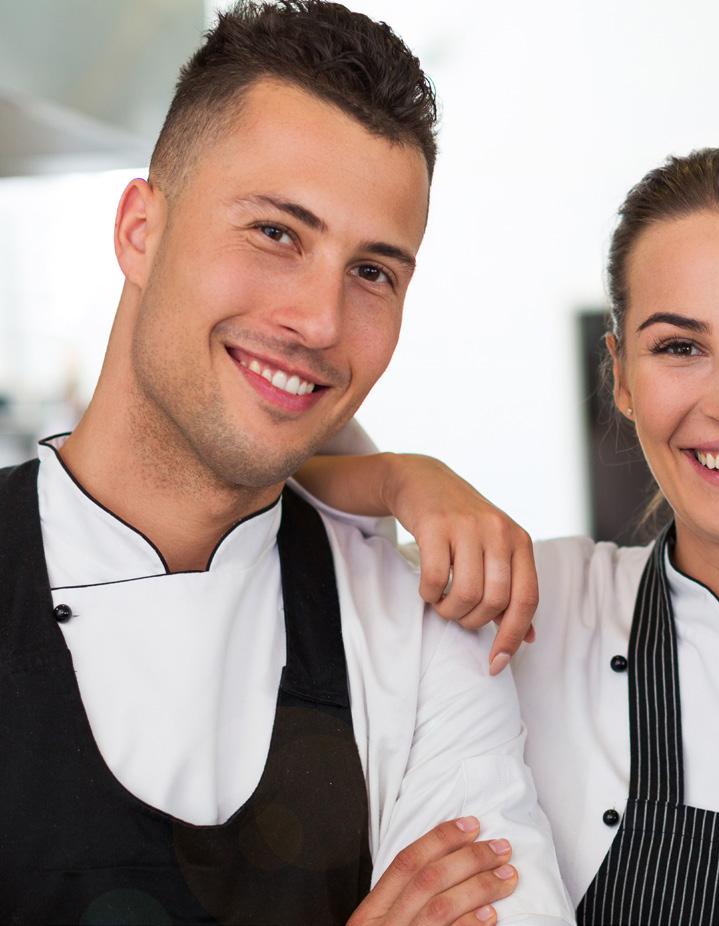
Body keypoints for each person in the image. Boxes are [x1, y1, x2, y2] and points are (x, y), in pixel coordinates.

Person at [0, 3, 575, 924]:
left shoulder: (422, 639)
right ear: (140, 230)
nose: (319, 322)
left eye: (373, 271)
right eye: (275, 232)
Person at [297, 147, 719, 924]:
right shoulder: (537, 605)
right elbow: (260, 463)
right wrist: (400, 478)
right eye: (679, 348)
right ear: (622, 376)